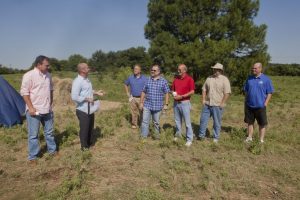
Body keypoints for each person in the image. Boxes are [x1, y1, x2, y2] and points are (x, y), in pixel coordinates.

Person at [20, 55, 57, 163]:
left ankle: (52, 151)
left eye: (48, 65)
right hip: (34, 110)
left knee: (49, 132)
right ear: (38, 64)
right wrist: (31, 108)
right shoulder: (29, 75)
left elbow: (51, 90)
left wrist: (50, 105)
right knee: (33, 135)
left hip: (47, 110)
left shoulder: (48, 75)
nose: (48, 67)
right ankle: (33, 157)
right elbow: (24, 92)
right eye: (46, 65)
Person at [71, 63, 104, 151]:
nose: (89, 69)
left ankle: (89, 144)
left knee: (90, 127)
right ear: (82, 70)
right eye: (87, 68)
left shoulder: (86, 80)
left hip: (90, 109)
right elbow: (74, 97)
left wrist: (97, 92)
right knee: (84, 129)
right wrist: (86, 99)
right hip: (82, 110)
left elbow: (87, 91)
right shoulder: (78, 81)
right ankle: (84, 148)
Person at [198, 63, 231, 143]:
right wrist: (203, 99)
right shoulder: (209, 78)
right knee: (203, 120)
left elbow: (227, 93)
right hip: (208, 104)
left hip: (217, 105)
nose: (216, 71)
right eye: (215, 69)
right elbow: (204, 89)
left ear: (221, 71)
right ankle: (201, 136)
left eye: (218, 69)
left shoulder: (224, 79)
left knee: (217, 122)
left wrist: (222, 103)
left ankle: (216, 137)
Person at [244, 62, 274, 143]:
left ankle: (261, 140)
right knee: (250, 122)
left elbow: (270, 92)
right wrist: (246, 101)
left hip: (260, 106)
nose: (253, 69)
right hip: (249, 105)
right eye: (253, 68)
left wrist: (265, 103)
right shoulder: (249, 78)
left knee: (262, 123)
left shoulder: (266, 79)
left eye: (255, 68)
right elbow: (246, 91)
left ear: (260, 69)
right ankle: (249, 137)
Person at [140, 65, 170, 139]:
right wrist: (141, 102)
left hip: (158, 106)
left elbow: (167, 93)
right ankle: (143, 136)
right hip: (147, 105)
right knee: (145, 121)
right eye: (152, 70)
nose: (152, 71)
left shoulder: (163, 81)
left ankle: (156, 136)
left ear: (159, 72)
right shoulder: (147, 80)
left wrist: (166, 104)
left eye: (154, 70)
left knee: (156, 122)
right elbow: (143, 92)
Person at [171, 64, 195, 147]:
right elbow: (173, 90)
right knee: (177, 121)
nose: (178, 71)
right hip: (176, 103)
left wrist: (182, 96)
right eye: (178, 69)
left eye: (180, 70)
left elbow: (192, 91)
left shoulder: (189, 79)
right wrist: (174, 94)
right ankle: (178, 135)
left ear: (185, 70)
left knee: (187, 122)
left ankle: (189, 139)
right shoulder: (176, 79)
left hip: (185, 103)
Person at [124, 64, 148, 129]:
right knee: (133, 111)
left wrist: (147, 95)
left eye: (136, 69)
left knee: (142, 111)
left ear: (140, 71)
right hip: (133, 98)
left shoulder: (145, 78)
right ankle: (134, 124)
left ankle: (143, 124)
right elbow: (125, 84)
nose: (135, 70)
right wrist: (127, 92)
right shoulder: (130, 77)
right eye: (134, 68)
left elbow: (148, 87)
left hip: (142, 98)